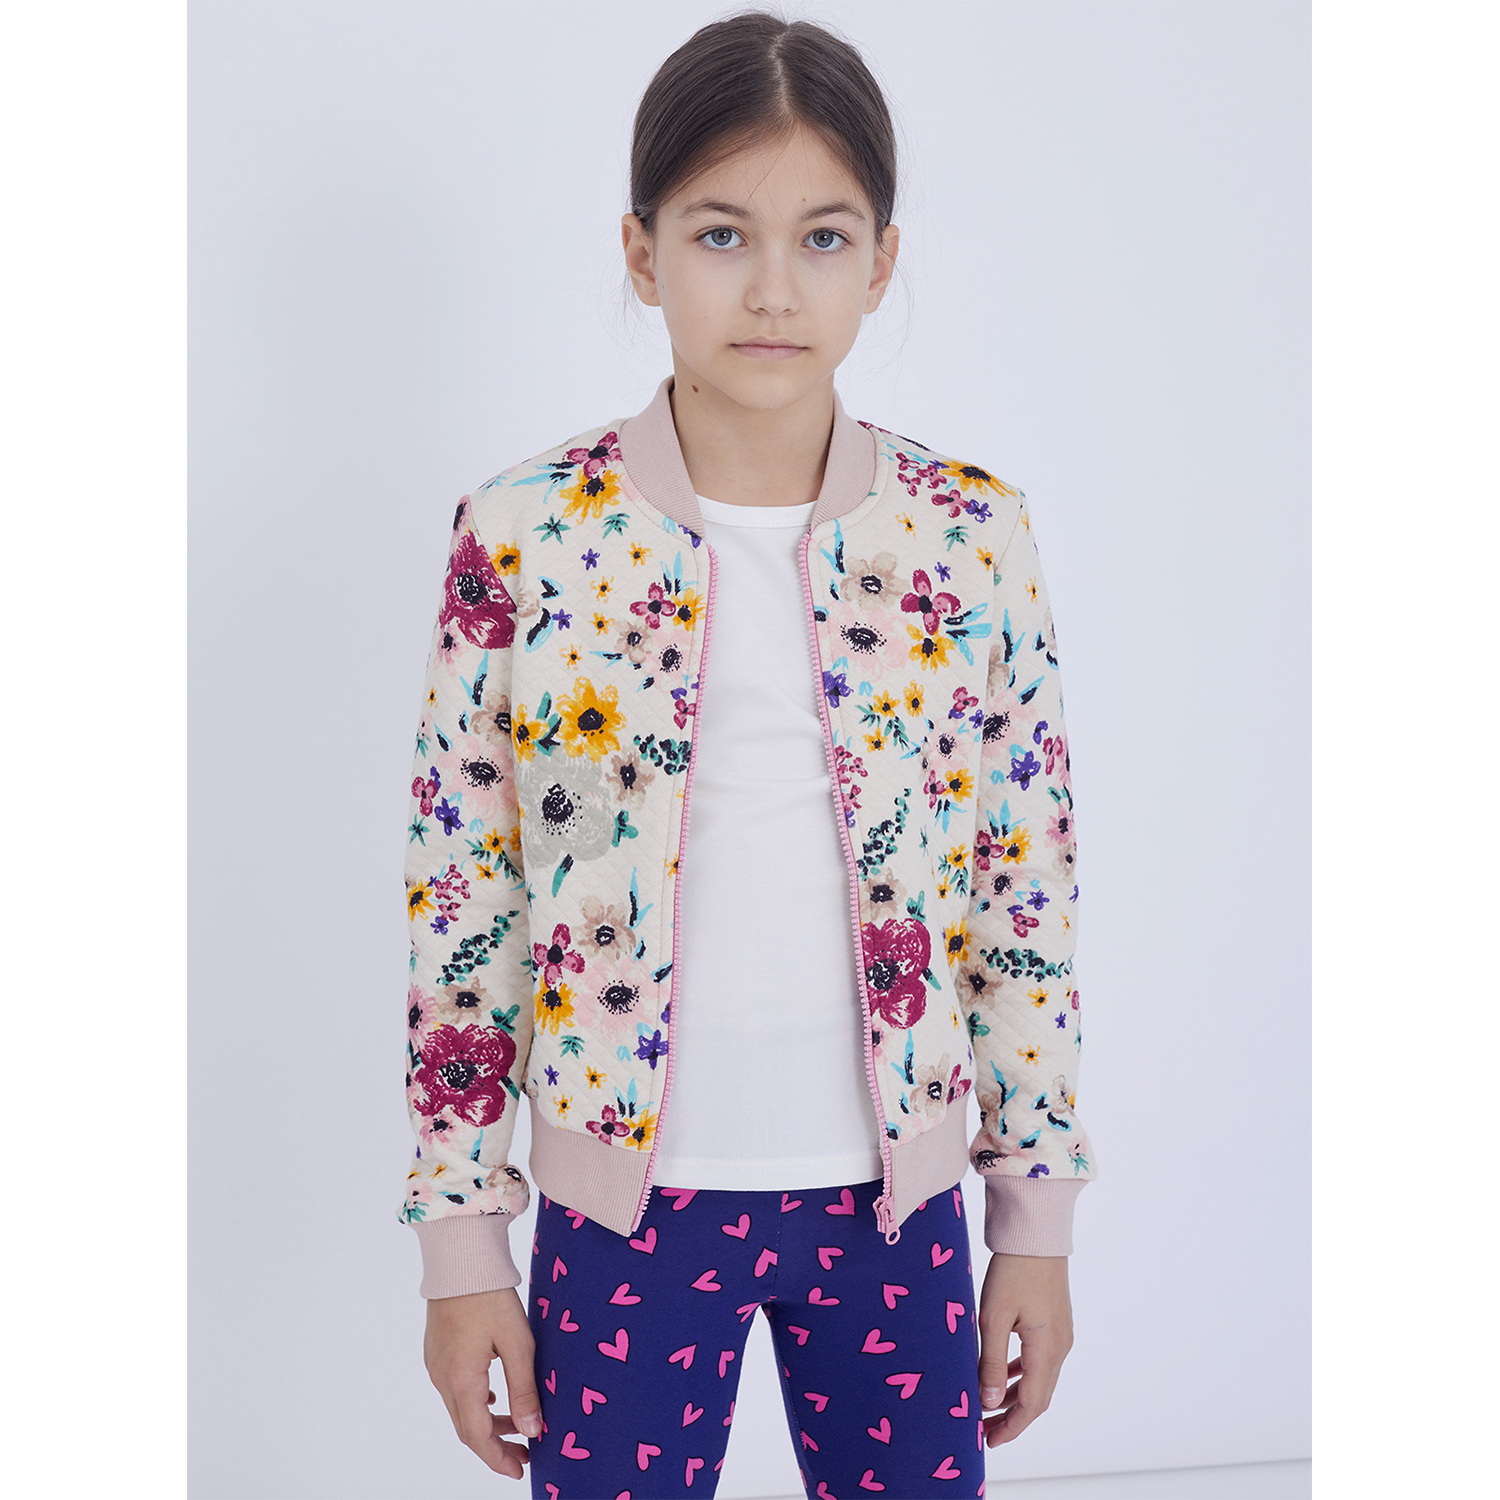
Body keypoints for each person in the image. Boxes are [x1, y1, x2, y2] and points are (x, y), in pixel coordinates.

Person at [398, 10, 1098, 1497]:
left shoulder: (970, 535)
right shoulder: (525, 535)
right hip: (622, 1215)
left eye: (823, 238)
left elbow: (1021, 896)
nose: (773, 287)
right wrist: (464, 1249)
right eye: (721, 234)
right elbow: (465, 904)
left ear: (882, 263)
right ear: (642, 252)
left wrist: (1033, 1225)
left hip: (894, 1214)